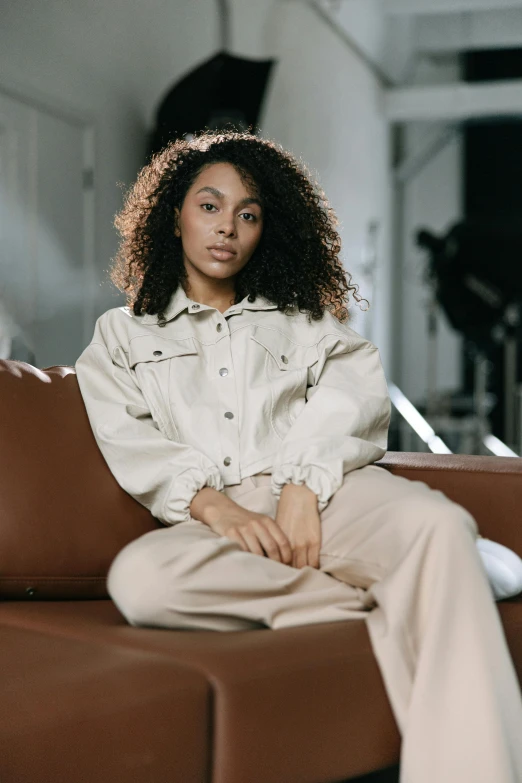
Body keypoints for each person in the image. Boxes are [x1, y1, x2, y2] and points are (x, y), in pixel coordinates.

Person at [74, 129, 522, 782]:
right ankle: (413, 588)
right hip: (217, 523)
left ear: (264, 229)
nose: (227, 226)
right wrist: (218, 509)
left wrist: (302, 487)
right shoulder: (121, 335)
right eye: (209, 205)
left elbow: (352, 391)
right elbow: (129, 436)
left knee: (439, 525)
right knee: (142, 580)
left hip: (329, 497)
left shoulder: (300, 320)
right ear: (173, 215)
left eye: (248, 213)